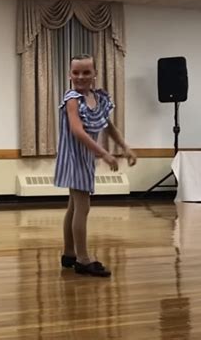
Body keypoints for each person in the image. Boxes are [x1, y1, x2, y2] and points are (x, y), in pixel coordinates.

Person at [54, 53, 137, 277]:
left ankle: (69, 253)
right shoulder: (72, 99)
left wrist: (125, 147)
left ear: (94, 74)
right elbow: (77, 130)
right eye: (76, 72)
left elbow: (108, 126)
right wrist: (104, 154)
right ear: (70, 75)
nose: (80, 77)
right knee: (83, 207)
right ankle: (83, 259)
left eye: (86, 72)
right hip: (74, 157)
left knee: (73, 206)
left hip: (85, 157)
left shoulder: (98, 98)